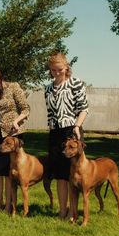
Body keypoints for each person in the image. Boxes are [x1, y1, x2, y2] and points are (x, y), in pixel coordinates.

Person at [0, 62, 30, 212]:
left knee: (9, 173)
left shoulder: (13, 87)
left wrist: (17, 121)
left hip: (13, 136)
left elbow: (26, 109)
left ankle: (9, 206)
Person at [44, 52, 88, 219]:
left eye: (60, 69)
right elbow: (50, 113)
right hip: (55, 133)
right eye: (53, 70)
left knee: (74, 174)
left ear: (66, 67)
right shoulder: (48, 88)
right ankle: (63, 210)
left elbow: (84, 108)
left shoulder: (76, 84)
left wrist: (77, 126)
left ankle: (73, 211)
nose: (56, 73)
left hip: (72, 131)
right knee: (60, 174)